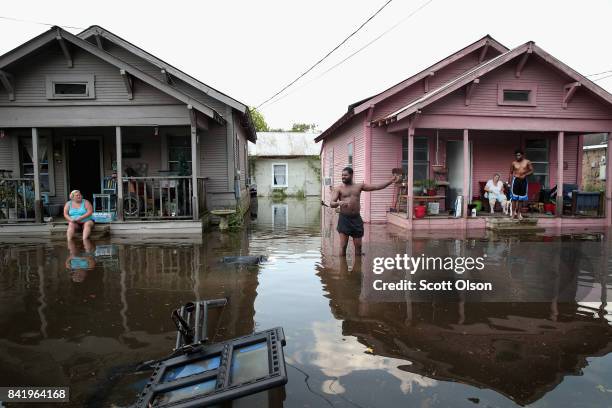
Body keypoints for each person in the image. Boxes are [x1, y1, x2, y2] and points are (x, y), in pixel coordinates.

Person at [330, 167, 400, 256]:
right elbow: (332, 203)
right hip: (344, 219)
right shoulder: (338, 189)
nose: (343, 177)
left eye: (345, 175)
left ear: (351, 175)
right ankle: (342, 269)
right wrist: (338, 203)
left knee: (358, 246)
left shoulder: (359, 186)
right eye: (342, 175)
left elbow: (376, 187)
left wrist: (390, 181)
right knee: (343, 246)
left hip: (356, 219)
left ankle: (358, 267)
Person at [508, 149, 533, 220]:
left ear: (522, 155)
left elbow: (531, 171)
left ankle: (519, 214)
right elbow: (510, 172)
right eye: (516, 155)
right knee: (514, 199)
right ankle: (513, 214)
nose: (517, 156)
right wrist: (509, 182)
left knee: (521, 199)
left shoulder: (527, 162)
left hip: (523, 181)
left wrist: (525, 174)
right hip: (515, 181)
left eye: (519, 155)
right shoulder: (513, 163)